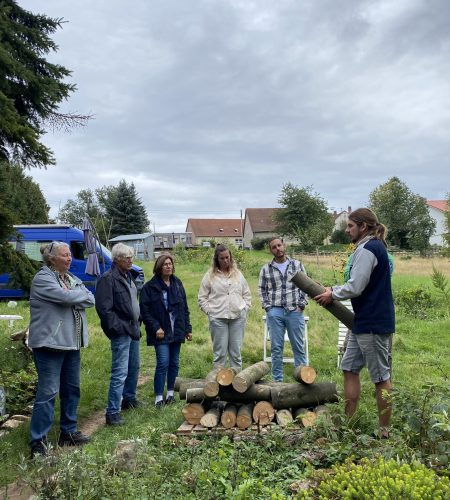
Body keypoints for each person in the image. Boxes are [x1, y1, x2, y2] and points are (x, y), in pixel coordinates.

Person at [314, 208, 395, 439]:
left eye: (350, 226)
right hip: (363, 322)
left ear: (363, 226)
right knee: (349, 368)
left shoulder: (369, 248)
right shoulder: (368, 247)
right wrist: (332, 290)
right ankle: (348, 424)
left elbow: (356, 286)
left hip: (373, 323)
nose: (347, 230)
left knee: (381, 378)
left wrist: (332, 294)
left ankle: (384, 431)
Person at [28, 241, 95, 457]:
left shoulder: (70, 278)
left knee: (72, 390)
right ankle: (38, 442)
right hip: (49, 344)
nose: (69, 259)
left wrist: (75, 295)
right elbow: (65, 297)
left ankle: (68, 432)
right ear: (52, 258)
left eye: (69, 255)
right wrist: (75, 296)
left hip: (71, 344)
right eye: (65, 255)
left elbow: (90, 298)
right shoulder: (43, 278)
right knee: (48, 393)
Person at [95, 243, 141, 426]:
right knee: (119, 372)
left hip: (133, 328)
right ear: (116, 260)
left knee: (134, 366)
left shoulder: (128, 276)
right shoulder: (108, 279)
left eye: (131, 257)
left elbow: (132, 302)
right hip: (122, 331)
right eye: (126, 258)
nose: (130, 261)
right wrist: (120, 328)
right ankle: (112, 412)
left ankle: (128, 398)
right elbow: (105, 311)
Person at [140, 253, 192, 408]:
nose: (169, 266)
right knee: (163, 362)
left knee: (174, 363)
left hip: (176, 329)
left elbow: (185, 308)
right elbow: (145, 311)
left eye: (170, 264)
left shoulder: (177, 283)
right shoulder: (149, 287)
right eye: (165, 264)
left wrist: (187, 329)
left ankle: (170, 393)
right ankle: (158, 397)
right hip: (161, 331)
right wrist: (156, 327)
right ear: (159, 267)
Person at [258, 237, 308, 381]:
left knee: (298, 347)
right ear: (271, 250)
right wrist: (268, 308)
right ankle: (277, 381)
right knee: (276, 348)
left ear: (284, 246)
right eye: (274, 247)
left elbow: (306, 285)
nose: (278, 249)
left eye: (279, 245)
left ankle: (303, 379)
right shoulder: (266, 269)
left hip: (294, 311)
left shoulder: (297, 265)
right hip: (275, 312)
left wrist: (302, 304)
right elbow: (261, 289)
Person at [198, 244, 251, 369]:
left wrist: (245, 308)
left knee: (236, 353)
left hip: (238, 318)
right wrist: (210, 312)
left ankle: (237, 383)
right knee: (220, 354)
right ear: (217, 259)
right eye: (222, 258)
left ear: (230, 257)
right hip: (218, 318)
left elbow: (246, 294)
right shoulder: (210, 276)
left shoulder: (238, 274)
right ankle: (219, 384)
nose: (225, 260)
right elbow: (202, 297)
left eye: (227, 257)